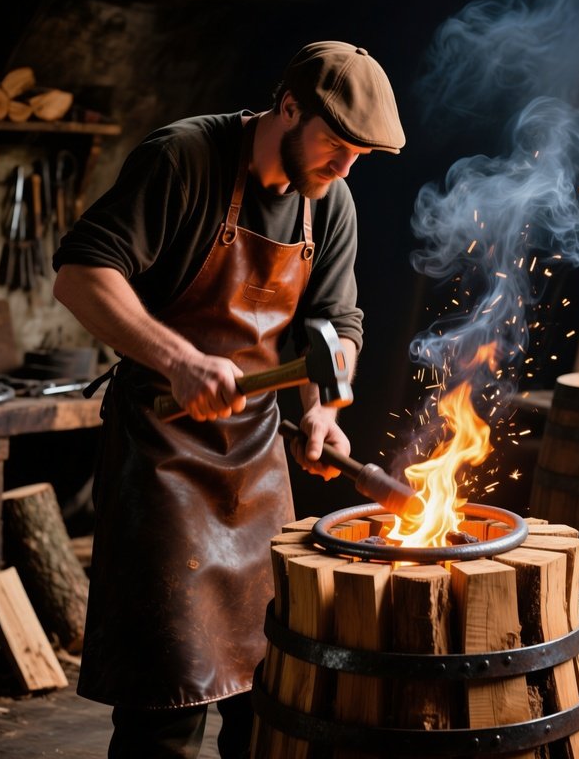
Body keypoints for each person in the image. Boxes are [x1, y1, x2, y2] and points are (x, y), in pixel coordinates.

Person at [52, 40, 405, 759]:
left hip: (255, 458)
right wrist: (178, 358)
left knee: (268, 690)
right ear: (288, 107)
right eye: (335, 146)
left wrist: (322, 409)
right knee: (166, 701)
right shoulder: (183, 158)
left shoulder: (329, 201)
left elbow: (337, 325)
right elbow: (81, 275)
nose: (344, 168)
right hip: (160, 452)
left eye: (359, 156)